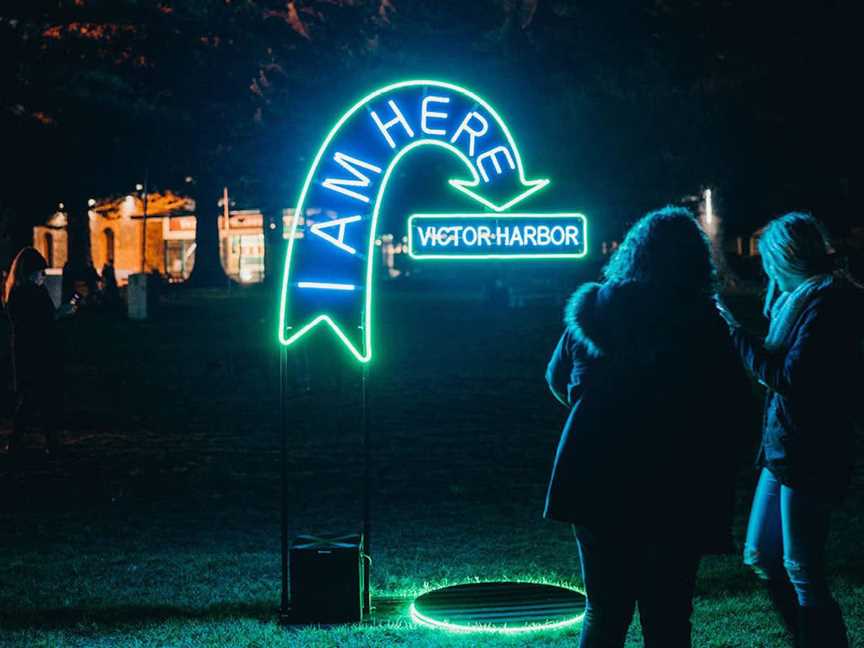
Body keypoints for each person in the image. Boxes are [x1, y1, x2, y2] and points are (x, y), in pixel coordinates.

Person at [544, 206, 752, 648]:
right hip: (676, 480)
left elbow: (557, 379)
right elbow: (733, 404)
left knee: (603, 612)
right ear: (695, 260)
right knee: (669, 616)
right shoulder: (703, 322)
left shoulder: (595, 309)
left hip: (596, 477)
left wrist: (594, 412)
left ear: (633, 253)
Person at [721, 213, 859, 647]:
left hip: (811, 447)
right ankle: (807, 638)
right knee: (762, 554)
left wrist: (733, 332)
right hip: (785, 446)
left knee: (802, 568)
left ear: (783, 256)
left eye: (768, 259)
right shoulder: (801, 298)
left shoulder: (827, 303)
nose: (765, 269)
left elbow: (788, 377)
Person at [3, 247, 75, 455]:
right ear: (29, 272)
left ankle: (35, 442)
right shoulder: (24, 293)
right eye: (40, 272)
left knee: (37, 397)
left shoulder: (23, 292)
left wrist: (56, 315)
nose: (43, 276)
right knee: (35, 396)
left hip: (33, 349)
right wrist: (59, 314)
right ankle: (27, 442)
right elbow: (36, 322)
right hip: (33, 350)